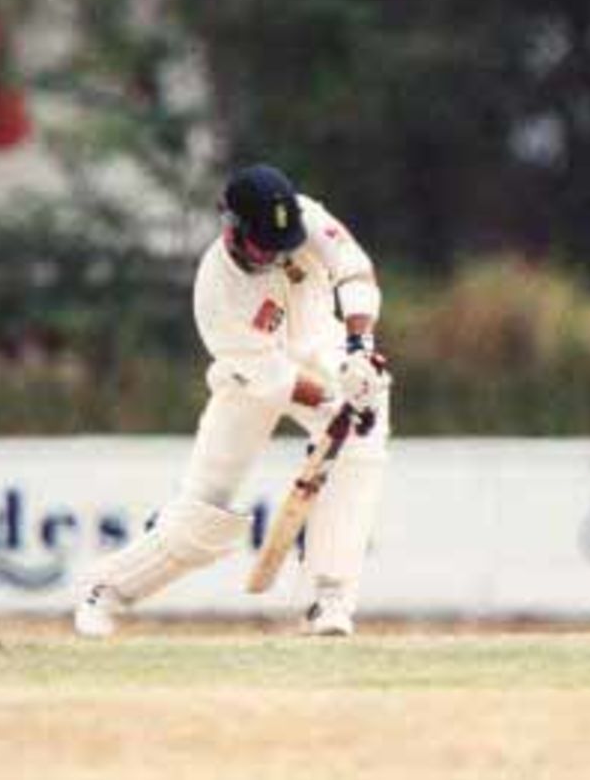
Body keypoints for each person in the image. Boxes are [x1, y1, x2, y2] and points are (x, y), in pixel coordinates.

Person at [73, 164, 391, 638]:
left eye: (286, 245)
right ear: (233, 230)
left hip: (324, 352)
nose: (280, 255)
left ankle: (330, 599)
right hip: (252, 379)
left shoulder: (301, 217)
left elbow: (354, 269)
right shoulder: (215, 292)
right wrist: (335, 395)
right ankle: (107, 589)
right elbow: (275, 377)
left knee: (364, 438)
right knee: (204, 515)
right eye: (267, 246)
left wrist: (359, 352)